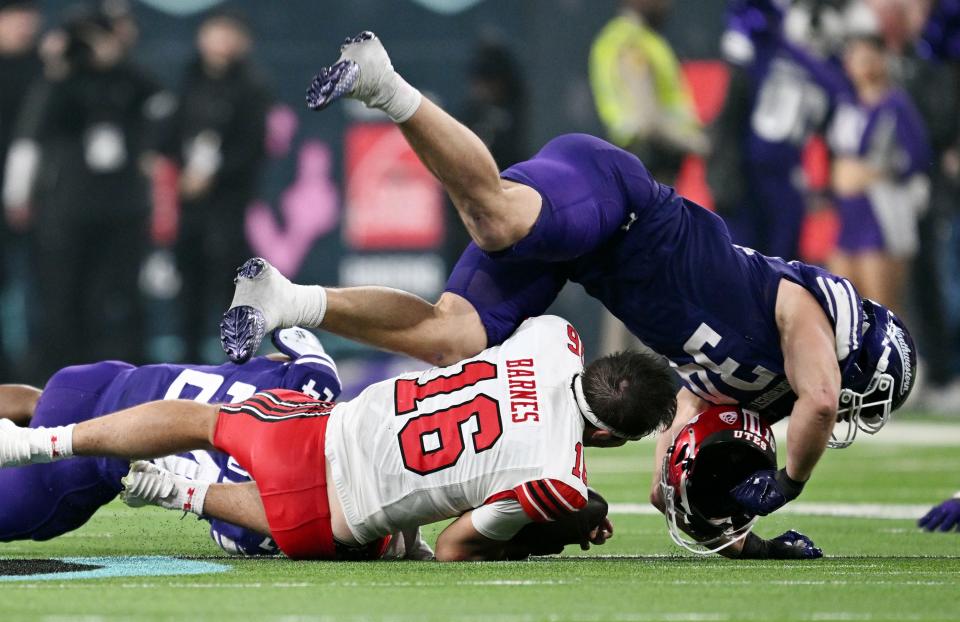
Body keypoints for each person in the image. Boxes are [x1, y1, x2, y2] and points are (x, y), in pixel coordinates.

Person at [220, 32, 917, 525]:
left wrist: (746, 537)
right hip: (620, 204)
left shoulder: (757, 399)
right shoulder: (803, 308)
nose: (859, 403)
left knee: (453, 337)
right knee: (493, 221)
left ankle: (287, 299)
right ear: (865, 346)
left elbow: (671, 483)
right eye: (872, 387)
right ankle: (385, 82)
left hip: (588, 260)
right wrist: (790, 483)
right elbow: (822, 401)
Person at [2, 315, 678, 561]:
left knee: (201, 417)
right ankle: (180, 491)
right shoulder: (558, 474)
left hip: (313, 424)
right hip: (323, 514)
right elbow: (453, 548)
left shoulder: (555, 338)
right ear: (618, 438)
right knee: (363, 538)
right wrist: (540, 535)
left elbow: (509, 342)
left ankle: (44, 443)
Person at [0, 328, 379, 557]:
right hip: (79, 464)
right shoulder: (275, 493)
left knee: (39, 401)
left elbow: (289, 342)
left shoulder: (316, 379)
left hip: (99, 380)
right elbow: (234, 530)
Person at [8, 7, 164, 375]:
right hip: (66, 212)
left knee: (115, 301)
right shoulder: (57, 82)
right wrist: (58, 66)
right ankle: (59, 381)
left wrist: (117, 59)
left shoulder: (129, 82)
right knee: (61, 301)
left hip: (120, 212)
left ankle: (118, 379)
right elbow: (29, 138)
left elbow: (160, 104)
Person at [158, 8, 271, 362]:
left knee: (230, 281)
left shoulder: (253, 87)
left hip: (228, 203)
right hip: (189, 205)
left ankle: (237, 360)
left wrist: (213, 174)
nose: (220, 42)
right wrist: (180, 172)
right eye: (214, 32)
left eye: (229, 33)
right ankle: (187, 360)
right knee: (187, 281)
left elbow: (252, 147)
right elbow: (169, 137)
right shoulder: (187, 80)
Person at [710, 0, 848, 260]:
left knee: (781, 268)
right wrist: (721, 173)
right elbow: (730, 115)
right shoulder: (764, 49)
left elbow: (839, 110)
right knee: (739, 264)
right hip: (746, 174)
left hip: (787, 178)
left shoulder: (828, 71)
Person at [825, 33, 930, 317]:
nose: (862, 64)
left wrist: (873, 172)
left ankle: (897, 361)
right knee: (843, 310)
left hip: (880, 217)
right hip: (847, 217)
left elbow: (919, 158)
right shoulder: (847, 104)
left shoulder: (896, 105)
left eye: (869, 57)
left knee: (883, 311)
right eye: (856, 58)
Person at [589, 0, 707, 185]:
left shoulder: (635, 38)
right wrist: (697, 143)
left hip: (645, 156)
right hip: (648, 157)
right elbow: (647, 119)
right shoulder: (632, 43)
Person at [0, 0, 41, 380]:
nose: (23, 24)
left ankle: (32, 372)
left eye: (29, 15)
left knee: (37, 292)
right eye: (14, 15)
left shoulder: (47, 72)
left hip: (40, 204)